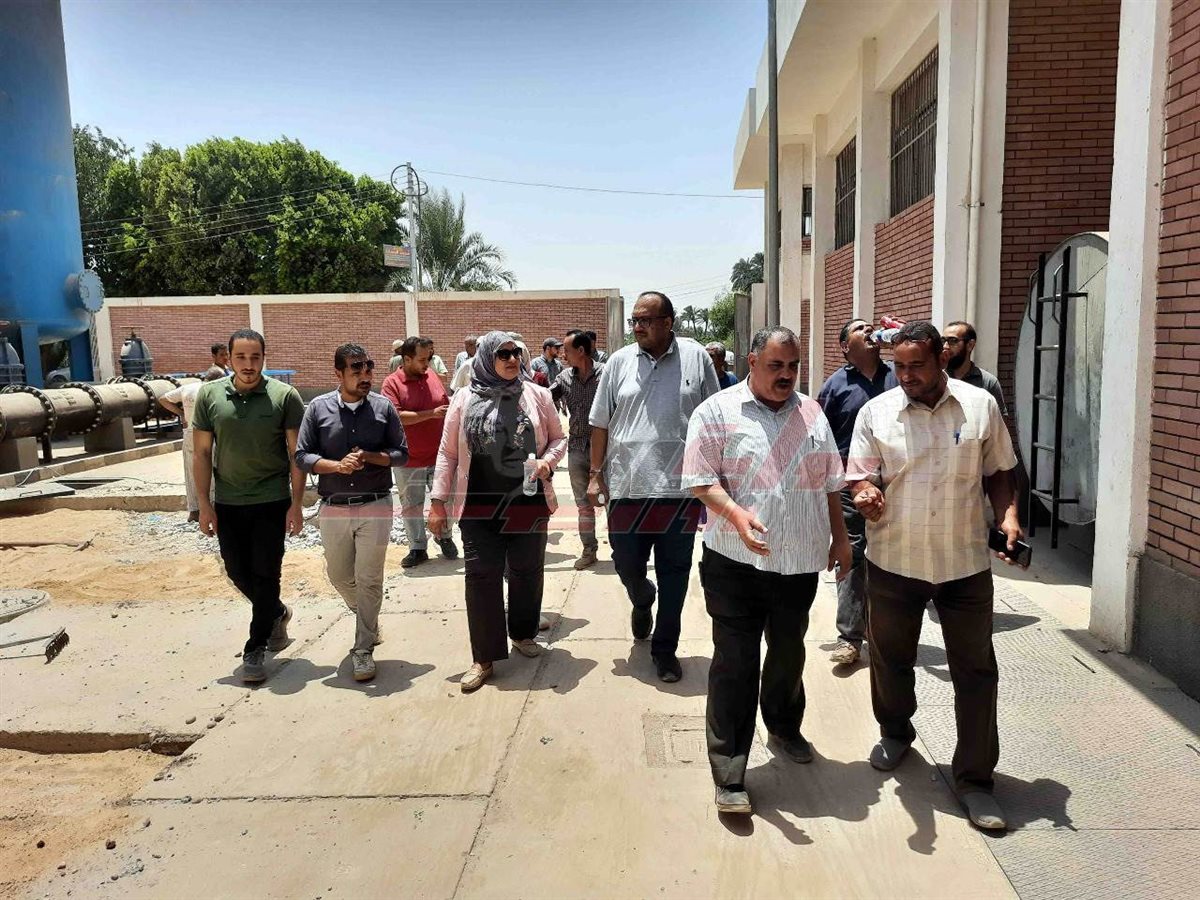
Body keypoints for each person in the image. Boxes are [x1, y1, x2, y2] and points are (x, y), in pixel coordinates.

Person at [846, 321, 1025, 833]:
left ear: (942, 358)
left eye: (917, 366)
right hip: (894, 560)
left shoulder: (979, 406)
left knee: (976, 671)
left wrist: (1008, 516)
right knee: (890, 658)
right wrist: (864, 493)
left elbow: (1000, 471)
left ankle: (975, 779)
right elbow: (860, 475)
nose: (906, 375)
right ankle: (895, 731)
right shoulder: (876, 412)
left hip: (963, 564)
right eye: (899, 366)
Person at [683, 327, 852, 815]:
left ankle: (783, 727)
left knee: (787, 653)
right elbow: (700, 480)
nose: (786, 375)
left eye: (792, 366)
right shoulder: (715, 412)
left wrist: (840, 538)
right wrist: (736, 515)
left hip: (798, 563)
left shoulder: (812, 414)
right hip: (734, 562)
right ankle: (730, 772)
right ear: (752, 362)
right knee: (735, 663)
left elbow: (830, 483)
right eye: (776, 365)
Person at [588, 290, 720, 683]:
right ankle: (642, 597)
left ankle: (665, 650)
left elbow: (715, 417)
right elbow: (600, 423)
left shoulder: (696, 357)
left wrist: (717, 474)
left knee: (675, 575)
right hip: (627, 489)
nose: (637, 327)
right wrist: (595, 474)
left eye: (645, 320)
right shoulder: (618, 362)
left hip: (680, 492)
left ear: (668, 322)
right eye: (634, 320)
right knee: (626, 565)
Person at [428, 331, 567, 693]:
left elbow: (558, 438)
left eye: (516, 353)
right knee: (481, 578)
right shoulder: (463, 399)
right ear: (487, 359)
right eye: (503, 354)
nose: (512, 359)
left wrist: (548, 462)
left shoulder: (536, 395)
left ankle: (522, 633)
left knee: (526, 571)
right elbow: (448, 453)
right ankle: (484, 658)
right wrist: (438, 502)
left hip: (527, 502)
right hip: (478, 506)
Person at [192, 329, 305, 684]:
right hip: (228, 502)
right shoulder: (209, 395)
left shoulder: (284, 396)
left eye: (255, 357)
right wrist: (203, 504)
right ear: (228, 358)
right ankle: (276, 612)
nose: (248, 364)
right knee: (237, 571)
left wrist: (297, 504)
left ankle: (255, 648)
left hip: (272, 500)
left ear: (264, 358)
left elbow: (296, 455)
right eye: (241, 357)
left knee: (266, 573)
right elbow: (202, 453)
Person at [295, 343, 408, 683]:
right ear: (339, 374)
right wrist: (336, 466)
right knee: (340, 576)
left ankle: (363, 648)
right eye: (356, 369)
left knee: (370, 579)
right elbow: (302, 455)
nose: (365, 375)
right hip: (334, 508)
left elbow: (401, 453)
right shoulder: (318, 408)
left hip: (375, 505)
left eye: (368, 368)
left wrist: (370, 457)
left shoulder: (383, 408)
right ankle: (366, 616)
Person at [817, 318, 898, 668]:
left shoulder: (899, 376)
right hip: (851, 484)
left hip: (897, 482)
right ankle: (850, 637)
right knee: (852, 553)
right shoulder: (835, 386)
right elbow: (818, 435)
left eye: (870, 326)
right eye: (859, 328)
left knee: (893, 557)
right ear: (845, 347)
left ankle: (887, 634)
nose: (869, 330)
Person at [381, 336, 458, 567]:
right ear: (407, 359)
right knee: (412, 505)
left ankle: (444, 536)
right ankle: (417, 547)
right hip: (409, 458)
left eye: (429, 358)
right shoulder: (391, 384)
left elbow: (444, 404)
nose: (427, 364)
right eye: (422, 360)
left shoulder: (431, 375)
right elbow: (395, 416)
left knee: (446, 499)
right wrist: (431, 414)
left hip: (439, 456)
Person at [551, 330, 605, 570]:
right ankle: (589, 550)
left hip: (605, 450)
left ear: (581, 351)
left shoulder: (606, 374)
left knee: (610, 500)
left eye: (566, 350)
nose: (563, 355)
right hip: (576, 449)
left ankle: (622, 551)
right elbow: (545, 398)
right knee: (583, 504)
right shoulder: (563, 378)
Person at [160, 366, 226, 523]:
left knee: (190, 472)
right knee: (212, 471)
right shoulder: (214, 391)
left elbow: (163, 399)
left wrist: (182, 414)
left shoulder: (188, 388)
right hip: (208, 434)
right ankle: (212, 507)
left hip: (190, 433)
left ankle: (194, 510)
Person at [944, 321, 1008, 417]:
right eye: (943, 341)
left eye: (953, 341)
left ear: (970, 345)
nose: (945, 346)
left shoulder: (987, 382)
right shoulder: (937, 379)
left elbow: (1000, 422)